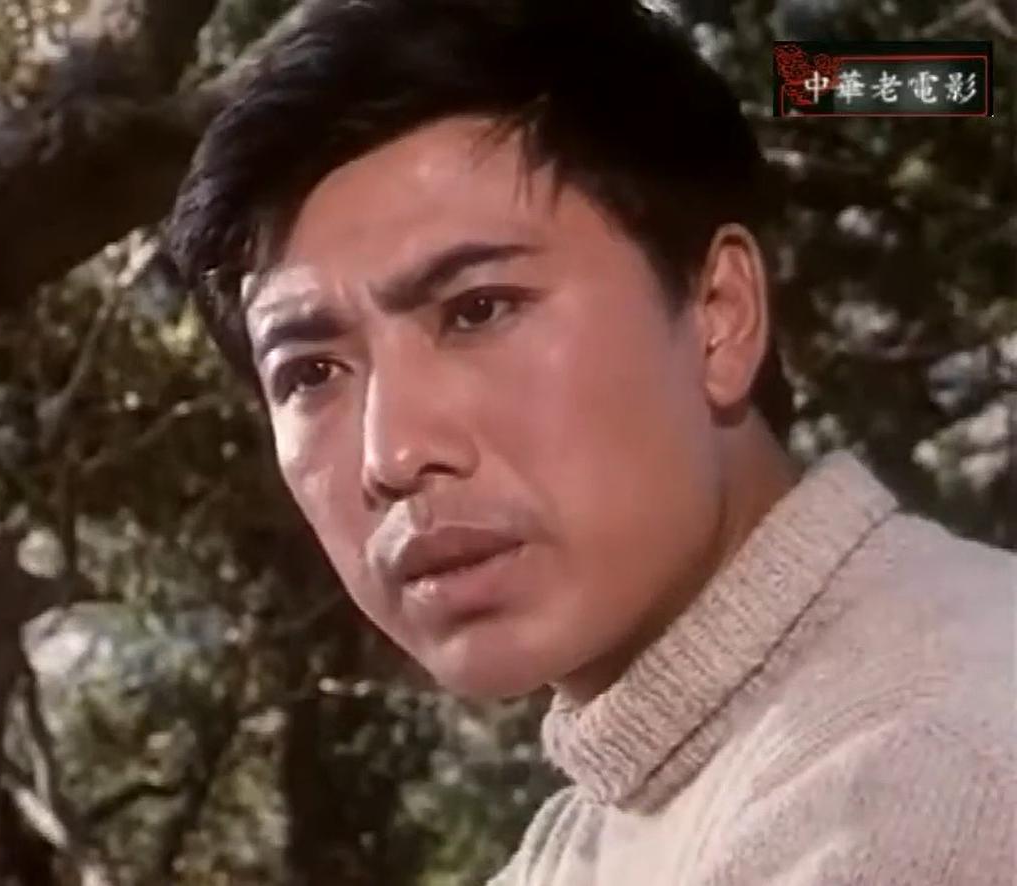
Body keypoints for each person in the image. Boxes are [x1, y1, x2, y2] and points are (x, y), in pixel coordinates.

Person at [167, 1, 1016, 882]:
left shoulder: (929, 772)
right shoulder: (605, 819)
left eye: (478, 310)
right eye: (310, 373)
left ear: (720, 315)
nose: (393, 455)